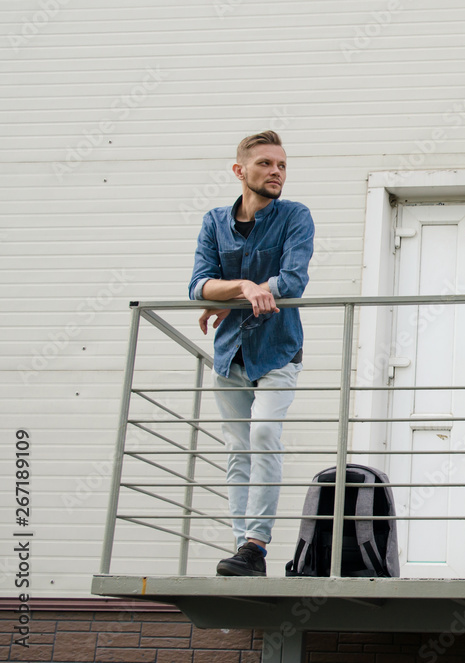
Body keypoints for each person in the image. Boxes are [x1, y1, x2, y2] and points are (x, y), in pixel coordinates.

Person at [188, 130, 314, 576]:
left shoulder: (296, 216)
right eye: (265, 164)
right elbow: (198, 285)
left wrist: (229, 296)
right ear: (241, 171)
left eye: (281, 165)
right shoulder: (214, 221)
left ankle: (256, 543)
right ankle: (244, 549)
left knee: (263, 434)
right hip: (229, 353)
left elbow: (293, 280)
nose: (276, 171)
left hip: (278, 350)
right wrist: (243, 287)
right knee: (237, 449)